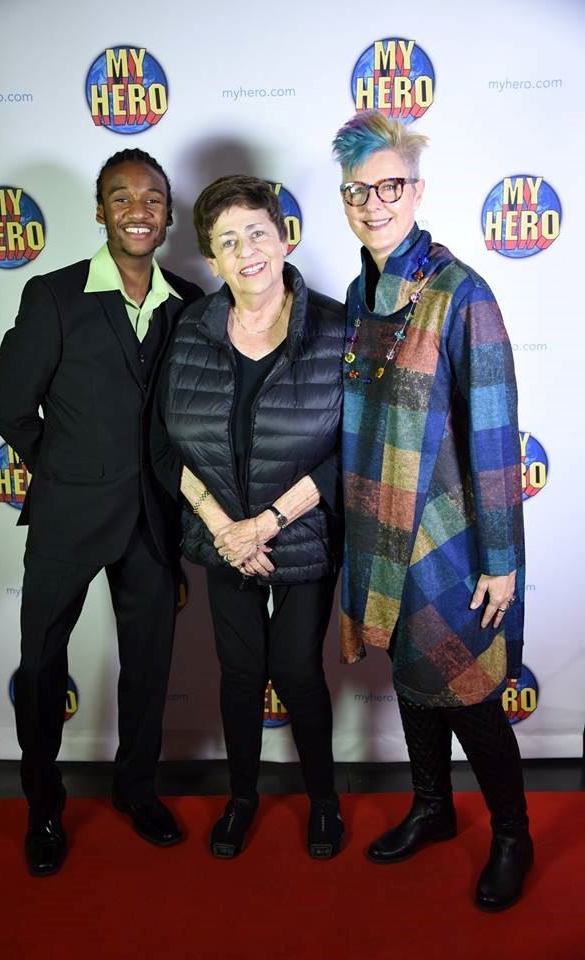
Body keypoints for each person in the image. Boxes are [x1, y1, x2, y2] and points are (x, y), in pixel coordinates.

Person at [0, 148, 202, 877]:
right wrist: (66, 467)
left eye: (153, 198)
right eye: (121, 197)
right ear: (101, 210)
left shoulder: (190, 302)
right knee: (42, 665)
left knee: (148, 666)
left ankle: (137, 790)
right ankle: (43, 807)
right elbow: (3, 400)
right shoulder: (54, 295)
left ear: (169, 212)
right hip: (67, 518)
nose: (138, 210)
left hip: (152, 519)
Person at [332, 111, 532, 911]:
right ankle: (432, 807)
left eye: (389, 186)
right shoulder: (359, 290)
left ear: (416, 191)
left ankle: (512, 833)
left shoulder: (462, 294)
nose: (373, 203)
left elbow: (492, 437)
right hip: (377, 531)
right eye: (358, 190)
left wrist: (502, 559)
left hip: (447, 541)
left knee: (469, 692)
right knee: (412, 678)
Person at [155, 175, 345, 860]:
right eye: (227, 241)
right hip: (223, 540)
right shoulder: (190, 329)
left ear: (284, 237)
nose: (246, 251)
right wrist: (221, 527)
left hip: (300, 533)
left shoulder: (333, 326)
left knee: (296, 671)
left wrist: (265, 522)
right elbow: (163, 443)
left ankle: (325, 800)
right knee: (239, 673)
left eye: (256, 232)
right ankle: (242, 798)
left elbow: (350, 451)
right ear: (211, 258)